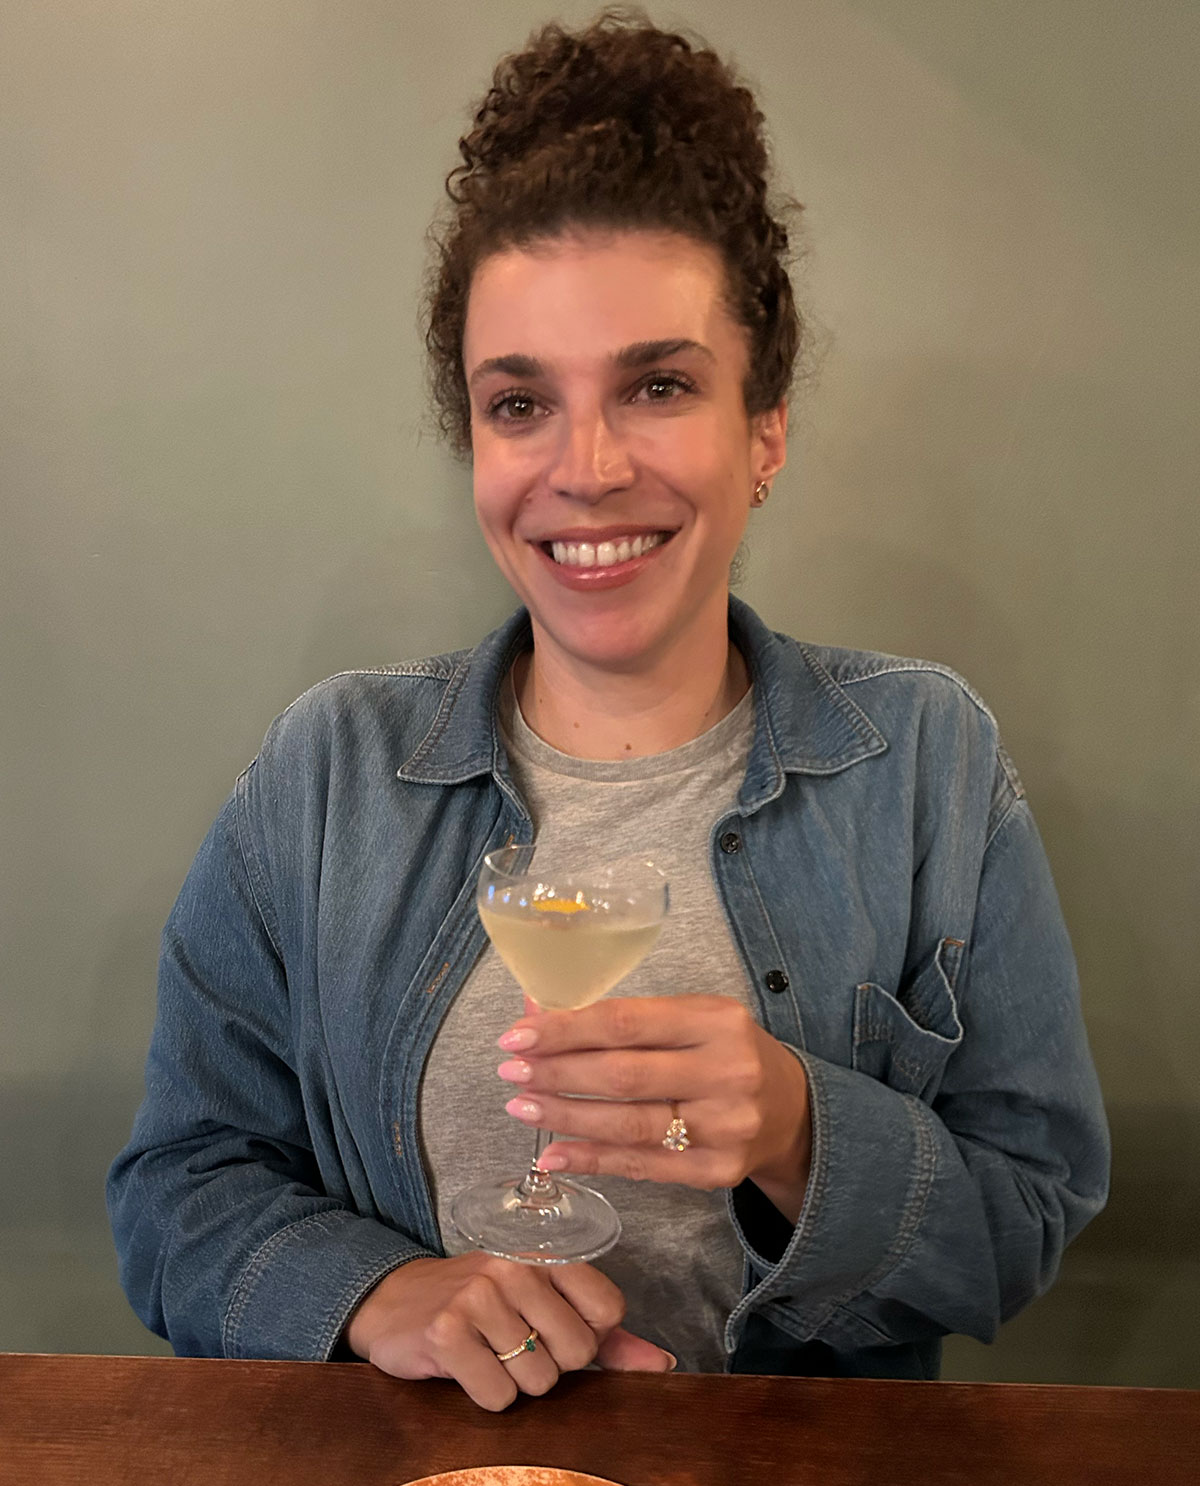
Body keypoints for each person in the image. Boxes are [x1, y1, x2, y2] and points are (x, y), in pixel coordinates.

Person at [107, 10, 1109, 1408]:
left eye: (655, 385)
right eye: (520, 404)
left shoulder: (929, 764)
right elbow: (175, 1187)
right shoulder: (327, 772)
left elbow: (1025, 1221)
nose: (583, 468)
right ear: (474, 443)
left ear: (762, 430)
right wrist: (381, 1292)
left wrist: (799, 1128)